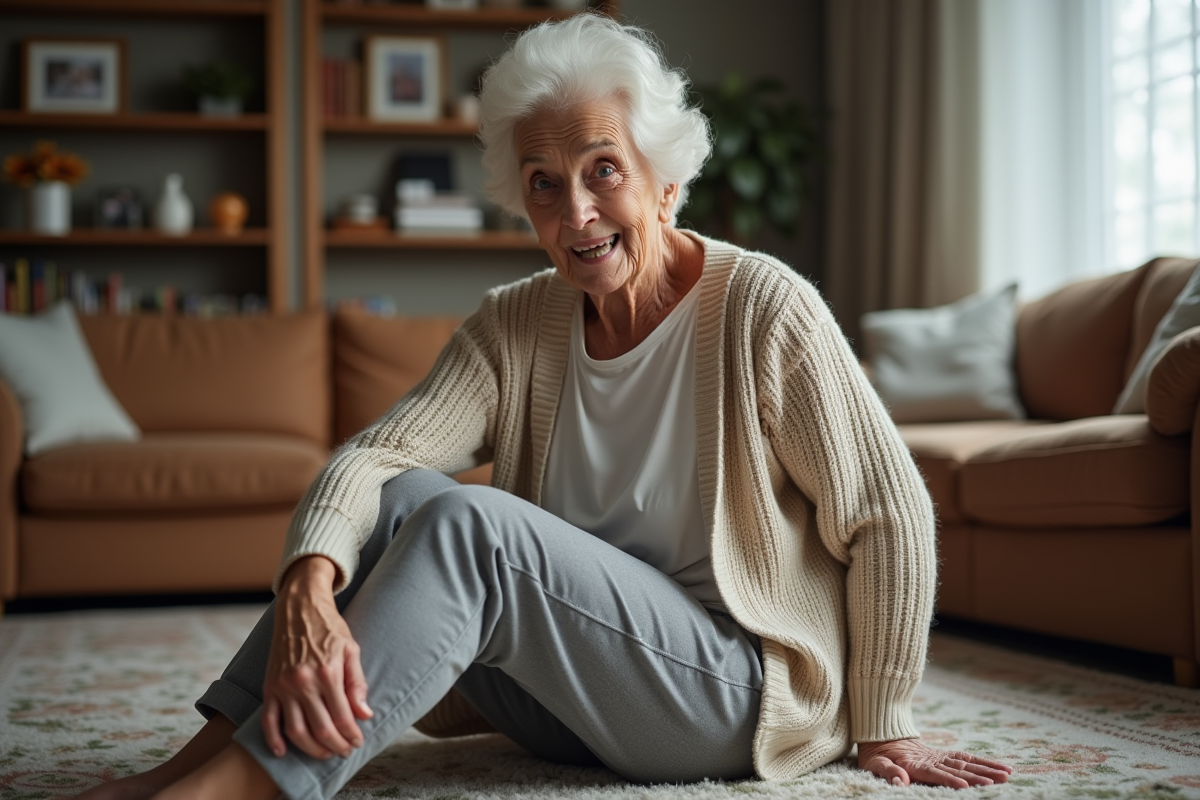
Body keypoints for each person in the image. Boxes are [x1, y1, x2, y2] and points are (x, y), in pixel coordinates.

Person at [77, 13, 1012, 800]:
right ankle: (190, 769)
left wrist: (885, 719)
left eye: (604, 169)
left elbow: (890, 516)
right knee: (401, 502)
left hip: (728, 699)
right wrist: (306, 582)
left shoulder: (764, 309)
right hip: (565, 701)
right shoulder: (517, 322)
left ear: (665, 178)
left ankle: (245, 792)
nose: (576, 214)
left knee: (476, 525)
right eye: (543, 183)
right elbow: (374, 458)